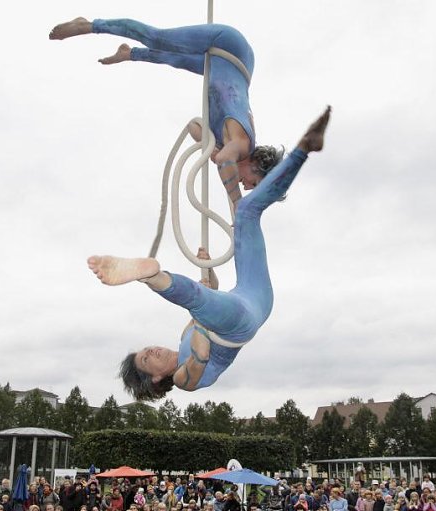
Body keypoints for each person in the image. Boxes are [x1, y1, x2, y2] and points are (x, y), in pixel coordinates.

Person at [87, 106, 331, 399]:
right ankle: (150, 277)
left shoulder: (184, 334)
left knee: (246, 213)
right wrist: (202, 318)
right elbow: (202, 353)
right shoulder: (184, 380)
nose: (151, 351)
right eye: (146, 360)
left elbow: (211, 290)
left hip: (253, 295)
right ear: (155, 379)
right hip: (238, 325)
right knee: (197, 300)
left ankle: (305, 148)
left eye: (145, 350)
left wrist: (208, 270)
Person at [49, 17, 282, 204]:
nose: (246, 186)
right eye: (254, 183)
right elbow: (224, 159)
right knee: (157, 39)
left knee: (176, 59)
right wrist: (237, 204)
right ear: (257, 166)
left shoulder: (227, 145)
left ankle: (129, 53)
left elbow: (194, 126)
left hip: (224, 66)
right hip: (232, 48)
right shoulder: (243, 144)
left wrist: (209, 145)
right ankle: (90, 25)